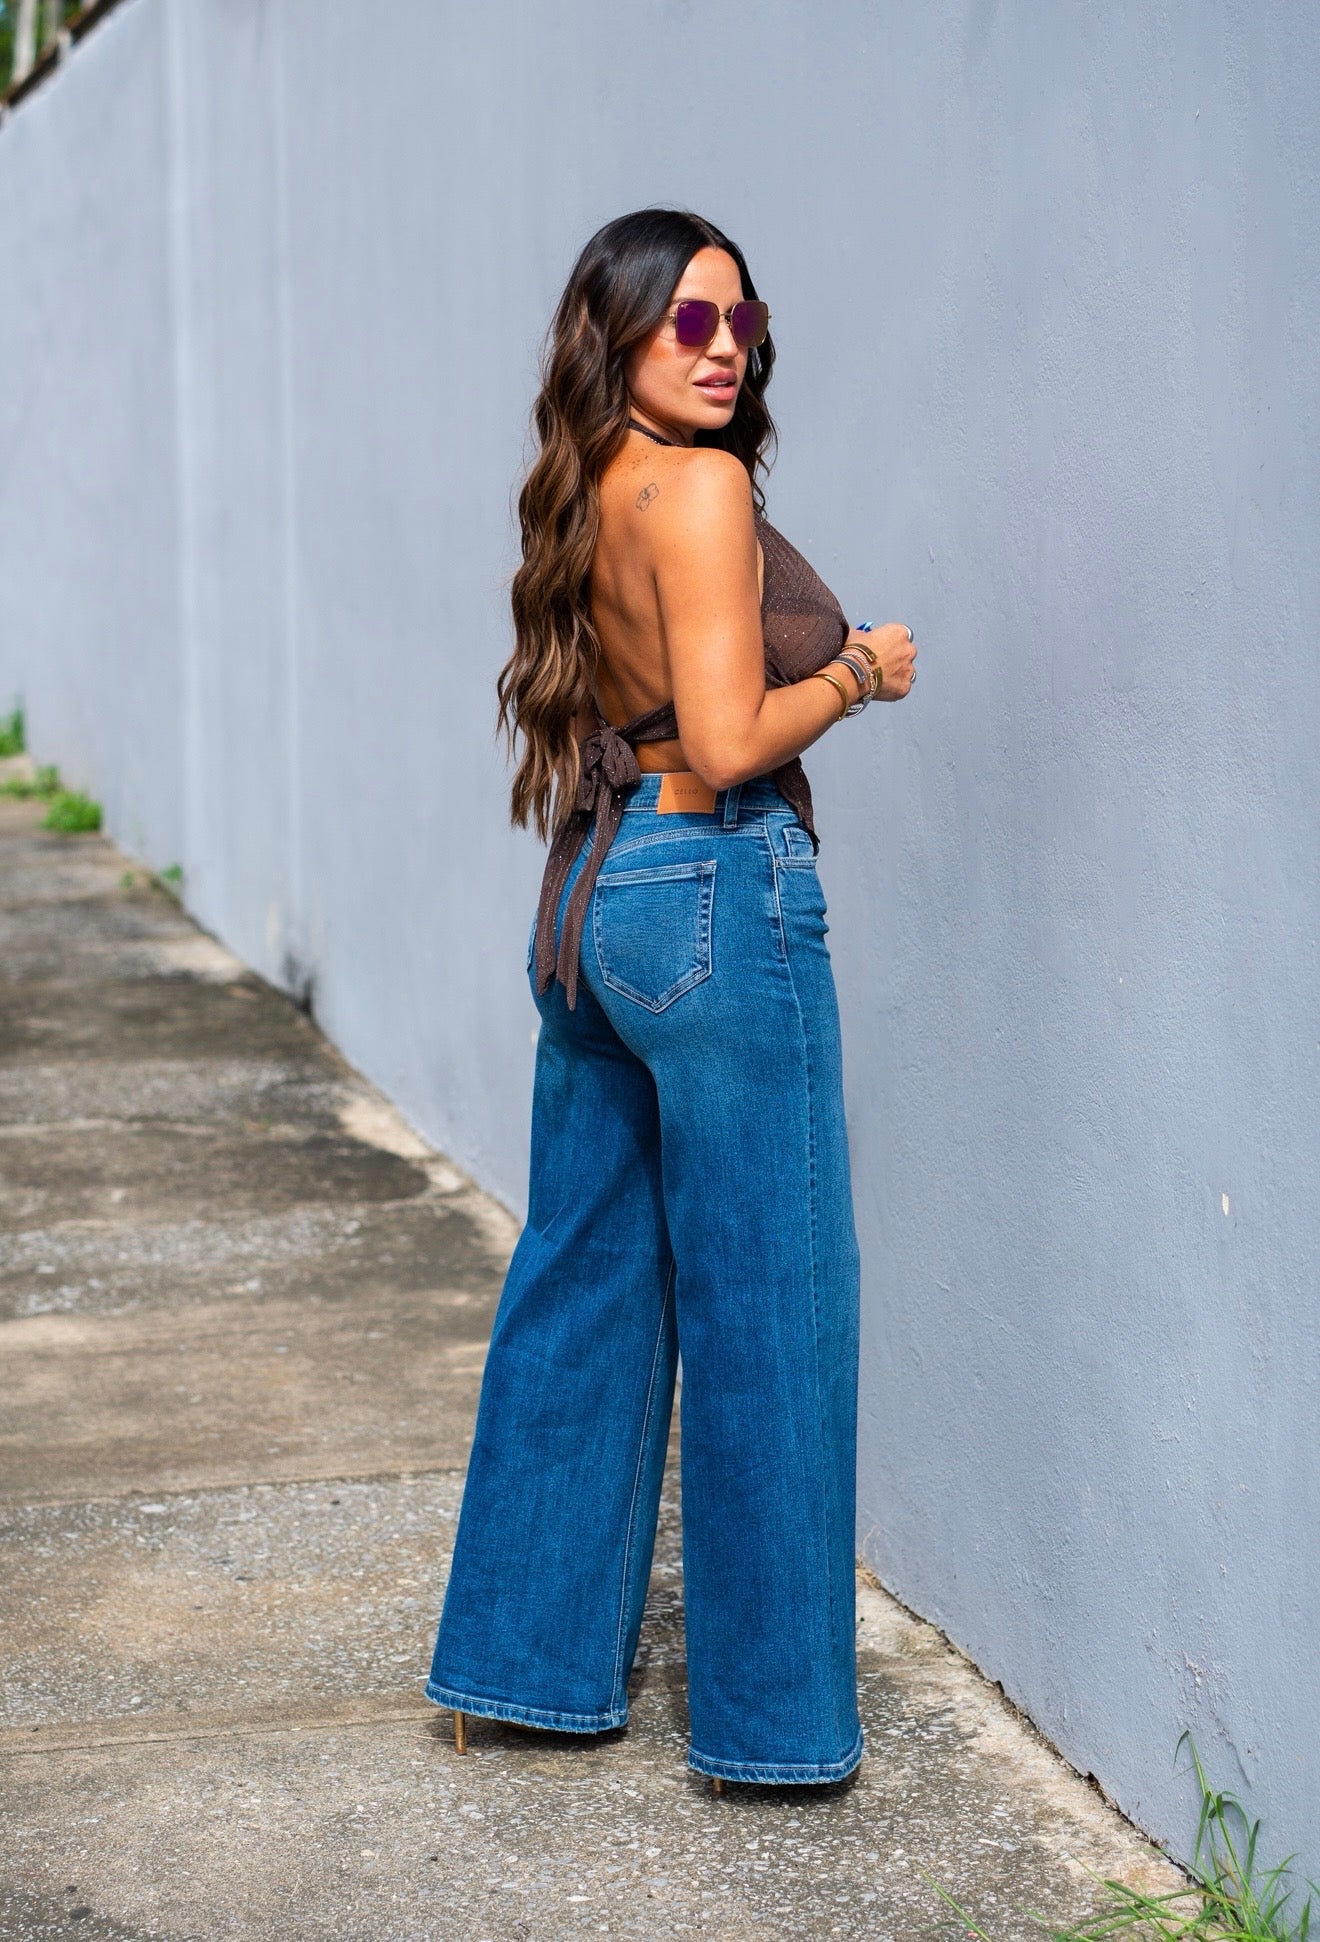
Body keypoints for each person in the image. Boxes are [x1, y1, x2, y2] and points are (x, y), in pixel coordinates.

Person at [425, 207, 917, 1791]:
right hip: (713, 886)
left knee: (582, 1283)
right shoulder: (700, 490)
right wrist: (860, 674)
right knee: (771, 1299)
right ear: (619, 337)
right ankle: (774, 1730)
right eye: (686, 324)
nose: (723, 349)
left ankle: (520, 1664)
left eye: (741, 320)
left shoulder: (589, 492)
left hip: (593, 891)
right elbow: (722, 735)